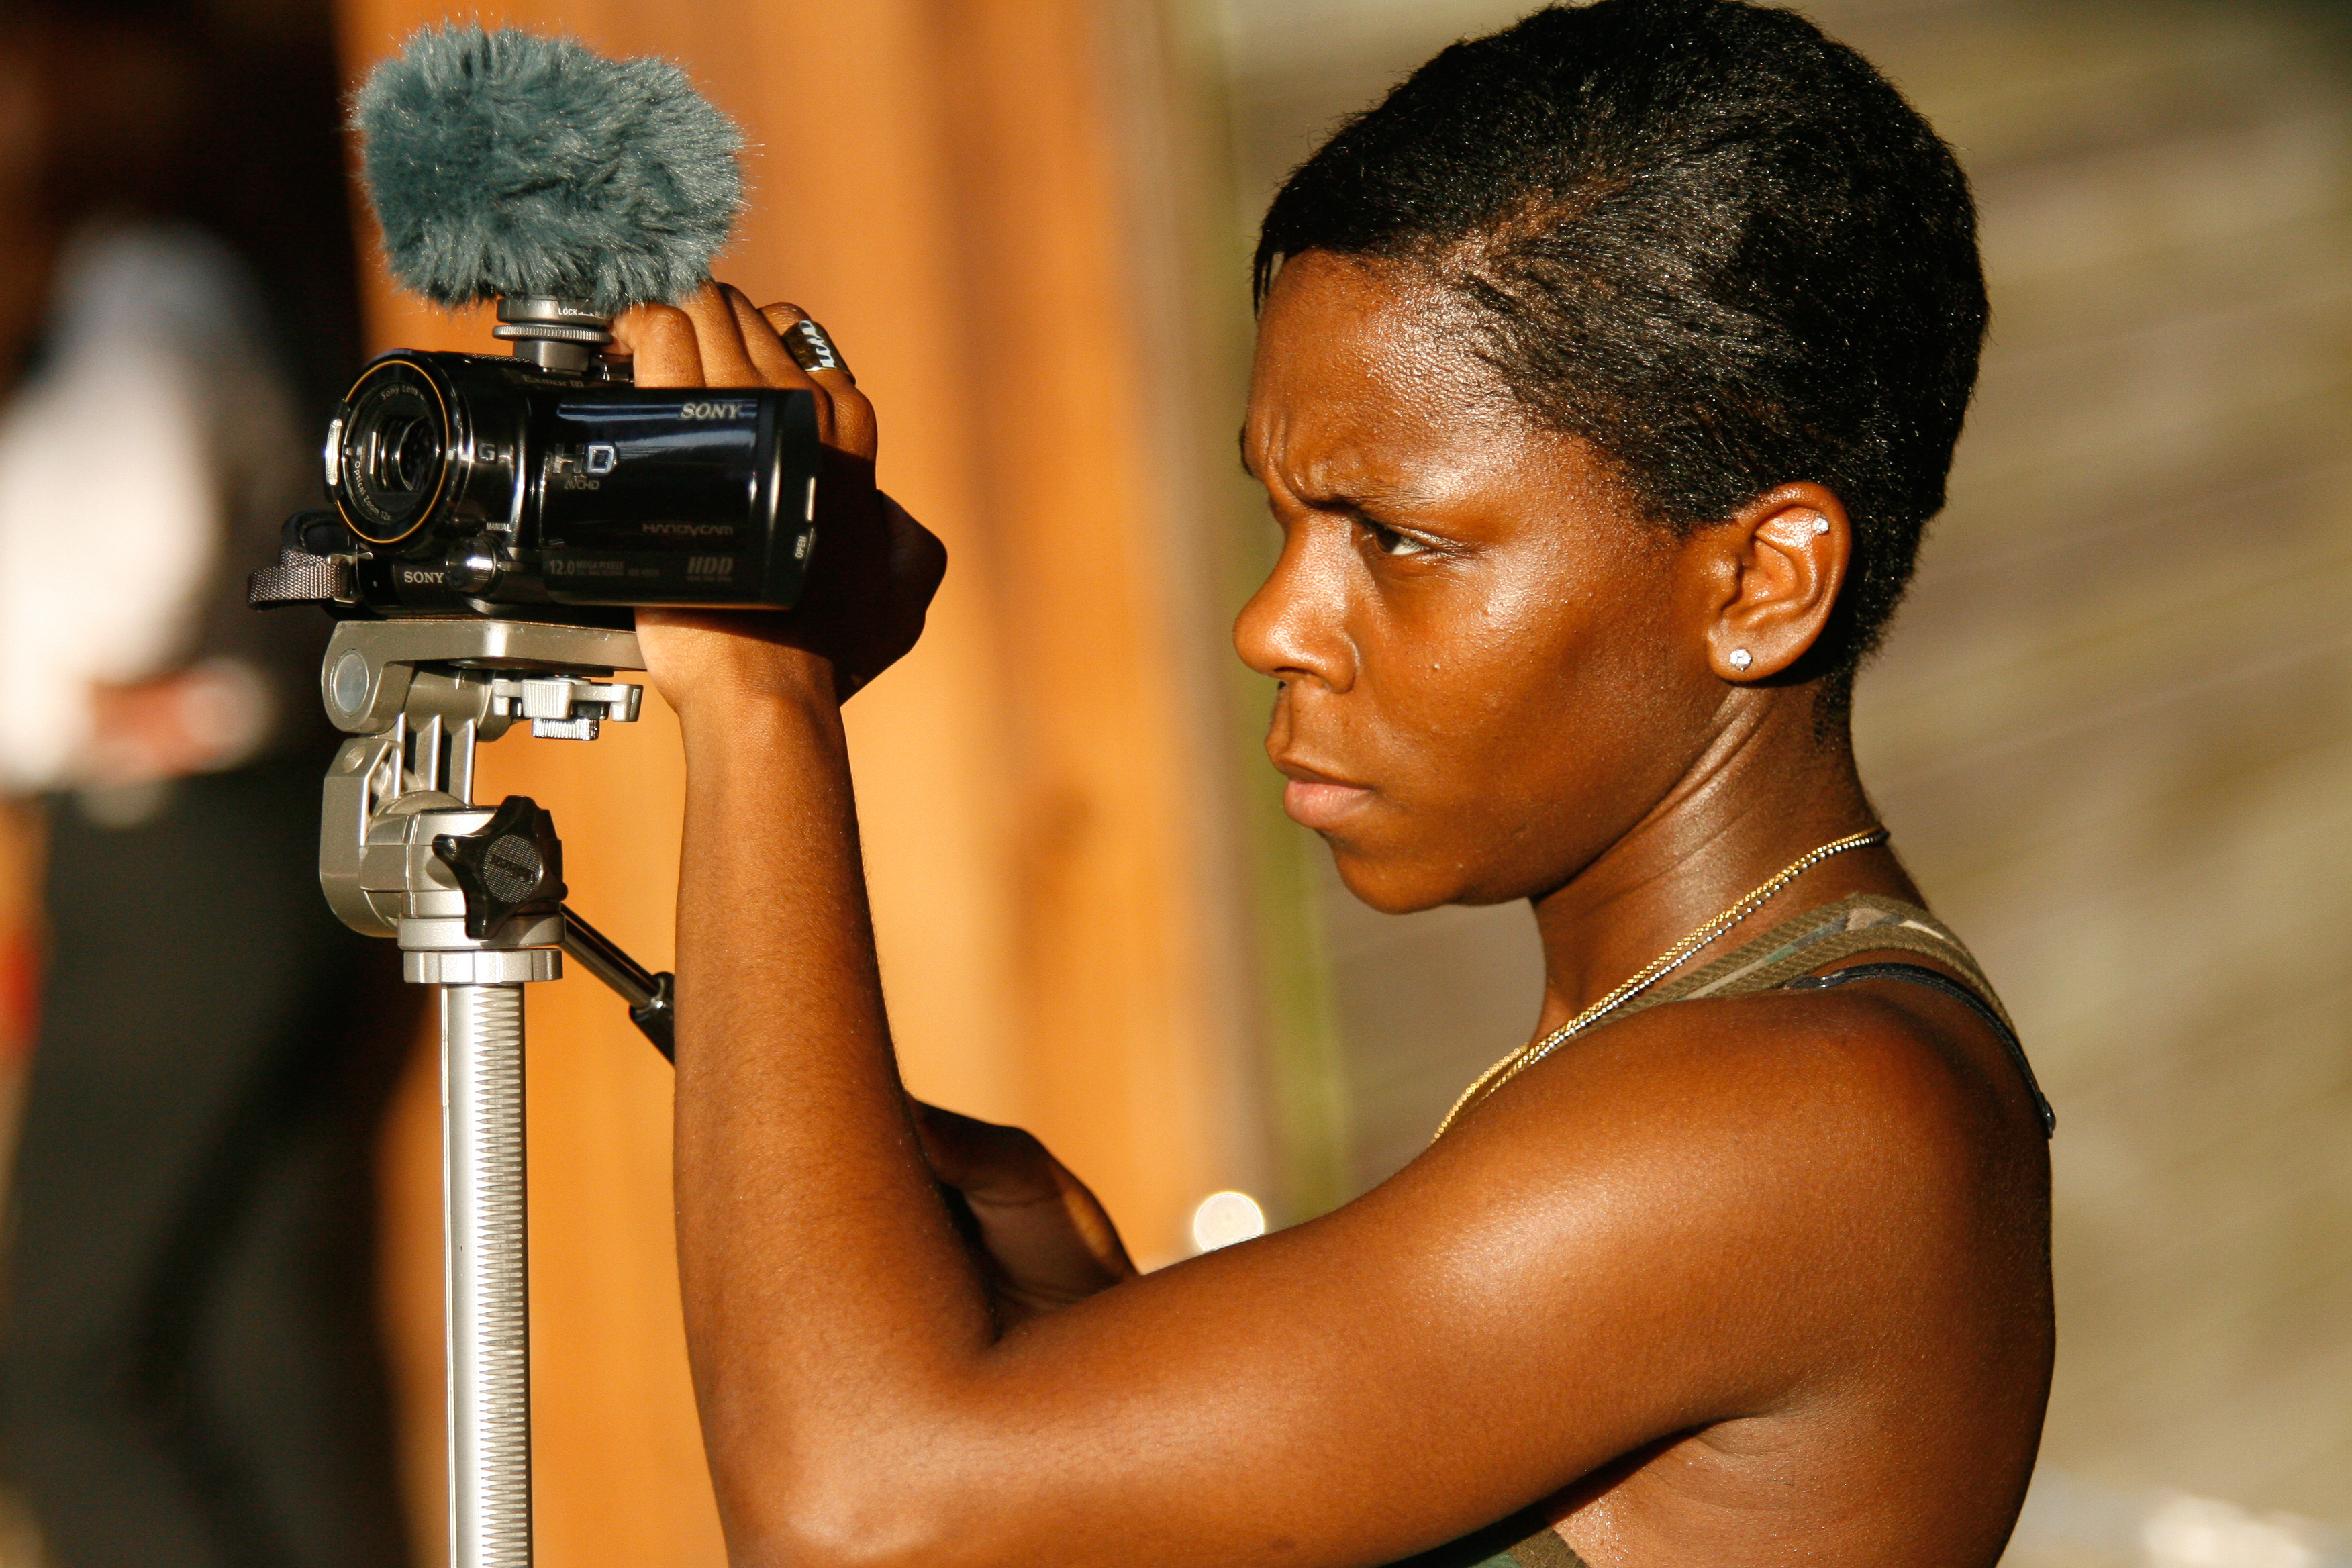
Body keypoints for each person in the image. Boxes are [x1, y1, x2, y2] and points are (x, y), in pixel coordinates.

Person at [617, 2, 2053, 1563]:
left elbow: (859, 1515)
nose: (1272, 625)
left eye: (1396, 537)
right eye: (1286, 519)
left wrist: (757, 691)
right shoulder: (1705, 1053)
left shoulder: (1816, 1116)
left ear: (1763, 580)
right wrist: (1091, 1334)